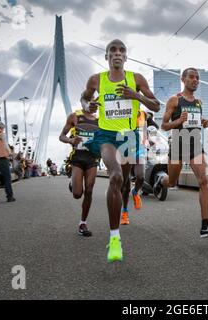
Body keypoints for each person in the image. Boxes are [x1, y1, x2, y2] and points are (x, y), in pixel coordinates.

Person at [81, 39, 160, 262]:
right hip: (106, 136)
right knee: (115, 177)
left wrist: (136, 96)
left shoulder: (137, 79)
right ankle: (114, 238)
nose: (117, 53)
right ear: (106, 56)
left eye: (121, 50)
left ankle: (125, 205)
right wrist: (89, 106)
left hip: (128, 137)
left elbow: (156, 106)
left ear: (126, 56)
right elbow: (84, 98)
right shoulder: (97, 80)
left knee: (124, 182)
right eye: (112, 50)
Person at [158, 68, 208, 238]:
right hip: (178, 143)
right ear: (183, 79)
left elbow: (195, 123)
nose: (195, 80)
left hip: (195, 144)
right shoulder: (174, 100)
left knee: (204, 180)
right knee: (171, 182)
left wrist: (204, 122)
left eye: (197, 78)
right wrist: (178, 121)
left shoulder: (199, 102)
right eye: (192, 77)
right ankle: (161, 179)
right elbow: (163, 126)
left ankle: (205, 225)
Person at [59, 101, 100, 237]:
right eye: (88, 101)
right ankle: (73, 182)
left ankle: (82, 223)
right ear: (83, 103)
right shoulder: (74, 117)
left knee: (89, 190)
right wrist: (70, 141)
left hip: (92, 159)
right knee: (77, 194)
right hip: (77, 158)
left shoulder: (101, 120)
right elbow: (62, 136)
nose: (92, 104)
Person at [120, 109, 147, 225]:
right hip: (123, 148)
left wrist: (147, 140)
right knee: (124, 186)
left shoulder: (142, 113)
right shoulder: (121, 111)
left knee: (140, 176)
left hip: (138, 149)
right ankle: (125, 212)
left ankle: (135, 191)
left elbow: (145, 130)